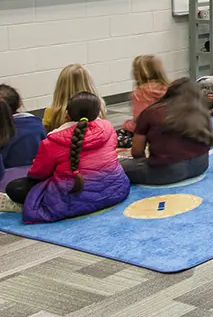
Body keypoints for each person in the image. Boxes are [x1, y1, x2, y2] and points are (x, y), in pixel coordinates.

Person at [5, 92, 130, 223]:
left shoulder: (52, 141)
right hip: (116, 190)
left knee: (14, 187)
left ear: (66, 114)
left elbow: (38, 174)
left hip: (70, 197)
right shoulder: (108, 128)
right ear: (98, 112)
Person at [121, 78, 213, 185]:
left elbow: (137, 151)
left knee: (116, 167)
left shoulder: (151, 112)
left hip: (167, 172)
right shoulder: (200, 110)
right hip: (201, 165)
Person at [0, 87, 46, 194]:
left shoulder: (4, 133)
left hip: (7, 187)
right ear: (20, 102)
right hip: (37, 182)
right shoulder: (37, 124)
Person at [121, 55, 170, 146]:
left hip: (149, 134)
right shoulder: (169, 88)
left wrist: (126, 125)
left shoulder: (141, 93)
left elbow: (140, 121)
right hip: (171, 130)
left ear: (139, 73)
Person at [41, 65, 106, 131]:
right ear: (89, 84)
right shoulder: (99, 107)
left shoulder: (52, 111)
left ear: (60, 85)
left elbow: (46, 137)